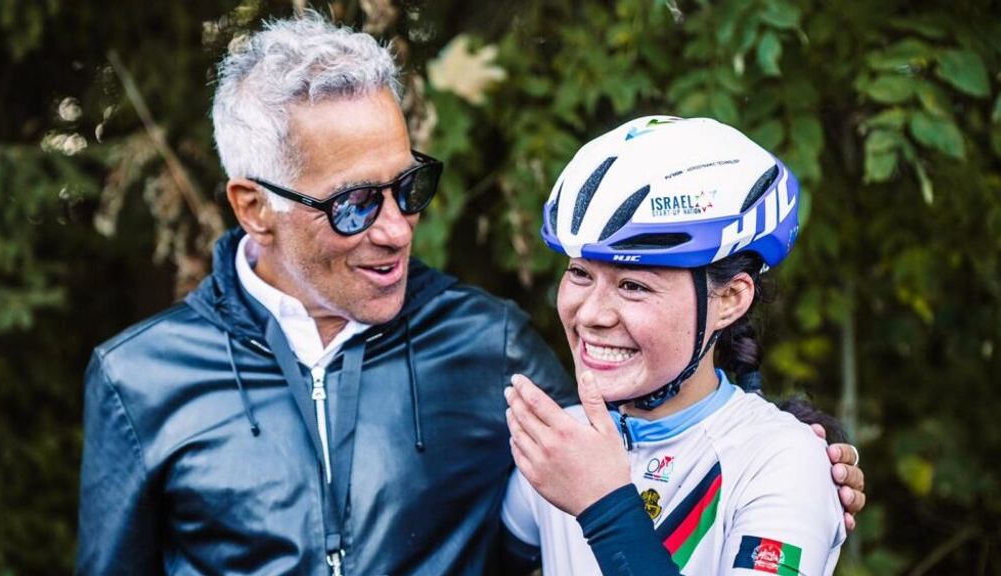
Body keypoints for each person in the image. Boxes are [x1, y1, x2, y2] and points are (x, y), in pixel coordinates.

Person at [76, 13, 864, 576]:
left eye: (408, 186)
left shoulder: (489, 345)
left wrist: (790, 447)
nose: (396, 229)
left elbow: (662, 419)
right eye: (355, 204)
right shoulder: (140, 377)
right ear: (255, 208)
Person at [503, 115, 851, 575]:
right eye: (580, 273)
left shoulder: (782, 462)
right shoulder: (559, 441)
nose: (590, 314)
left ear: (729, 299)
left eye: (633, 286)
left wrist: (604, 505)